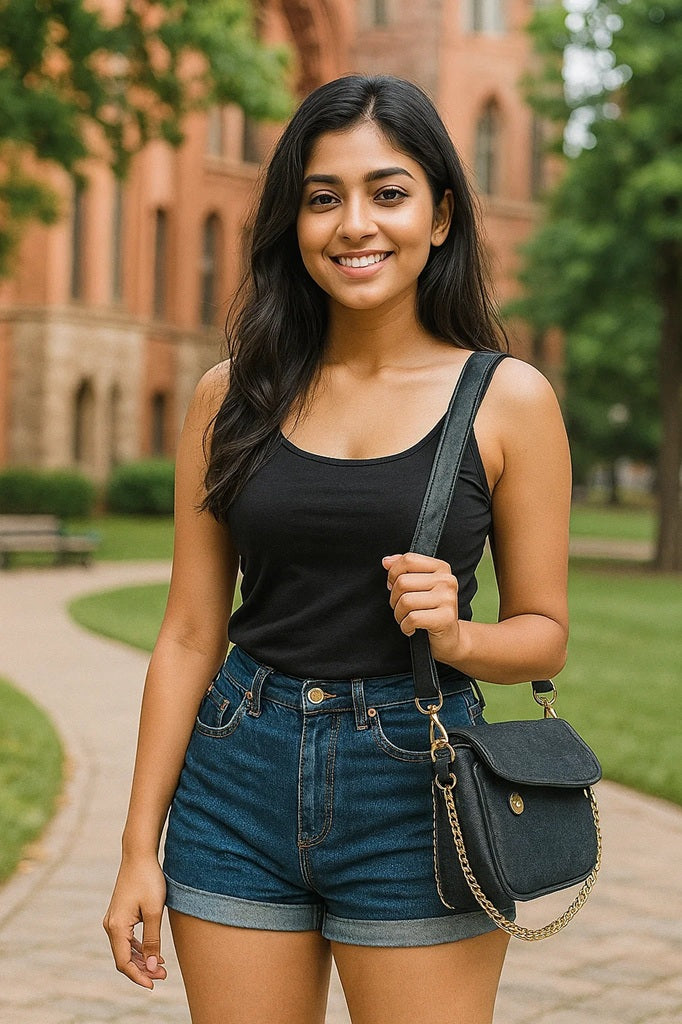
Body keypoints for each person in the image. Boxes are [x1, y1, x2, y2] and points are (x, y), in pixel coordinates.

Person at [103, 74, 571, 1024]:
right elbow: (191, 635)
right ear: (294, 220)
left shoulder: (508, 399)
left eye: (387, 193)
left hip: (416, 784)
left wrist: (459, 637)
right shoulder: (229, 396)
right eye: (324, 198)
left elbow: (546, 635)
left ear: (441, 215)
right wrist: (136, 849)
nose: (355, 223)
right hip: (236, 775)